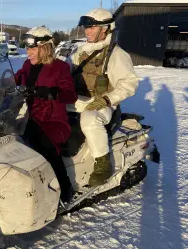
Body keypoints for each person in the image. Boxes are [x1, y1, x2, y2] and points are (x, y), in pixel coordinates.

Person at [67, 9, 139, 186]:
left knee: (89, 121)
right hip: (78, 100)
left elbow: (129, 84)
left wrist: (107, 99)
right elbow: (64, 72)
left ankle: (102, 164)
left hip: (103, 103)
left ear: (105, 28)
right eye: (86, 27)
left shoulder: (116, 55)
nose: (87, 31)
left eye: (91, 27)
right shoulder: (81, 51)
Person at [16, 27, 78, 203]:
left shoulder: (60, 67)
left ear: (44, 47)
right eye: (27, 49)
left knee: (42, 144)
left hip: (54, 122)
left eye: (32, 48)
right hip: (31, 117)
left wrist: (52, 93)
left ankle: (65, 187)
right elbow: (18, 77)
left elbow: (70, 94)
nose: (28, 53)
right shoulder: (28, 65)